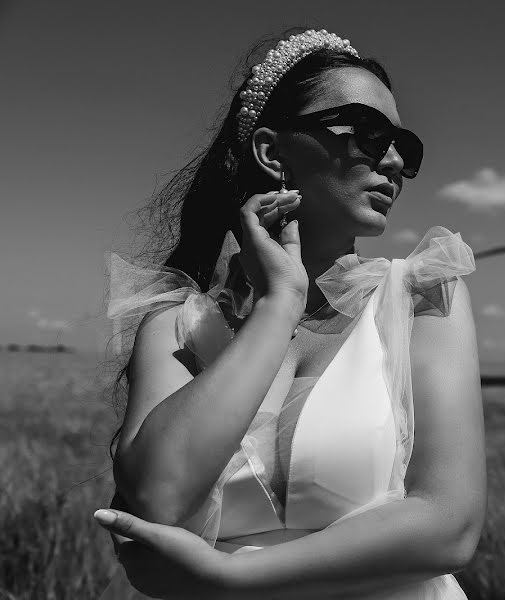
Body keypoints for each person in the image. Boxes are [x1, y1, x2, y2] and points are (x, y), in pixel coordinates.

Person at [95, 28, 485, 599]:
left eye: (406, 144)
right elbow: (158, 494)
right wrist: (279, 307)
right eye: (370, 134)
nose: (396, 160)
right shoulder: (177, 325)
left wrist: (230, 575)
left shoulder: (423, 298)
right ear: (273, 153)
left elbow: (450, 527)